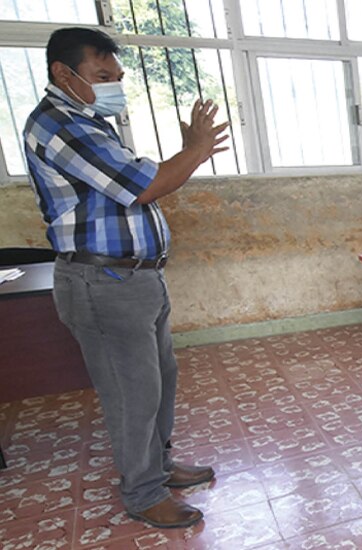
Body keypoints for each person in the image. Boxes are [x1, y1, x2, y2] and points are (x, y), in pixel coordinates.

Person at [22, 27, 230, 528]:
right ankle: (142, 492)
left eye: (117, 76)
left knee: (159, 380)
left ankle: (157, 464)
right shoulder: (61, 125)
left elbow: (139, 186)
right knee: (132, 391)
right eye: (102, 76)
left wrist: (189, 152)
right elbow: (147, 185)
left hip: (135, 280)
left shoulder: (90, 121)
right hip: (102, 284)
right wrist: (197, 148)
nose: (114, 85)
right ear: (62, 73)